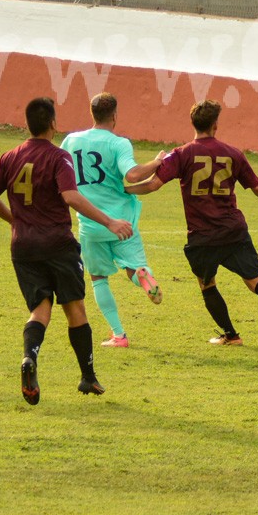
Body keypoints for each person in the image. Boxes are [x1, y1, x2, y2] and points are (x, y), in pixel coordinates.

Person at [0, 97, 134, 403]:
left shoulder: (9, 156)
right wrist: (109, 221)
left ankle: (29, 358)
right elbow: (70, 196)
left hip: (23, 245)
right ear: (52, 123)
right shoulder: (58, 157)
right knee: (74, 308)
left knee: (40, 308)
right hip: (57, 244)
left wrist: (17, 221)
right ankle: (88, 377)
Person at [126, 100, 258, 349]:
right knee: (255, 281)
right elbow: (256, 185)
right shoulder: (232, 152)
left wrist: (123, 188)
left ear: (193, 123)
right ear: (215, 125)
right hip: (233, 229)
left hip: (202, 236)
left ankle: (231, 335)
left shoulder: (181, 154)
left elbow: (152, 185)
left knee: (207, 285)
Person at [61, 93, 163, 348]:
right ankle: (143, 276)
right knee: (133, 267)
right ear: (115, 116)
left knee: (98, 278)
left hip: (91, 223)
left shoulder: (71, 140)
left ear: (91, 113)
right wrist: (157, 161)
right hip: (122, 221)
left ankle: (119, 335)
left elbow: (59, 170)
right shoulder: (119, 144)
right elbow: (132, 174)